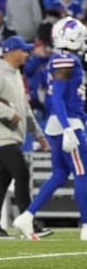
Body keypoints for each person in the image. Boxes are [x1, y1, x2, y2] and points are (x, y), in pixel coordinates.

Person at [13, 18, 87, 241]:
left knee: (59, 174)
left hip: (58, 123)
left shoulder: (63, 59)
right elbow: (57, 97)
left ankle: (26, 216)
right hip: (68, 123)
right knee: (83, 173)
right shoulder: (66, 59)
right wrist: (67, 128)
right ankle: (86, 226)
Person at [0, 36, 50, 239]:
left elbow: (25, 109)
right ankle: (29, 223)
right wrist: (9, 114)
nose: (27, 54)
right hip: (2, 136)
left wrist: (39, 135)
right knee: (22, 173)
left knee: (0, 182)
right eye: (23, 50)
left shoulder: (15, 74)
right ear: (11, 52)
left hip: (11, 136)